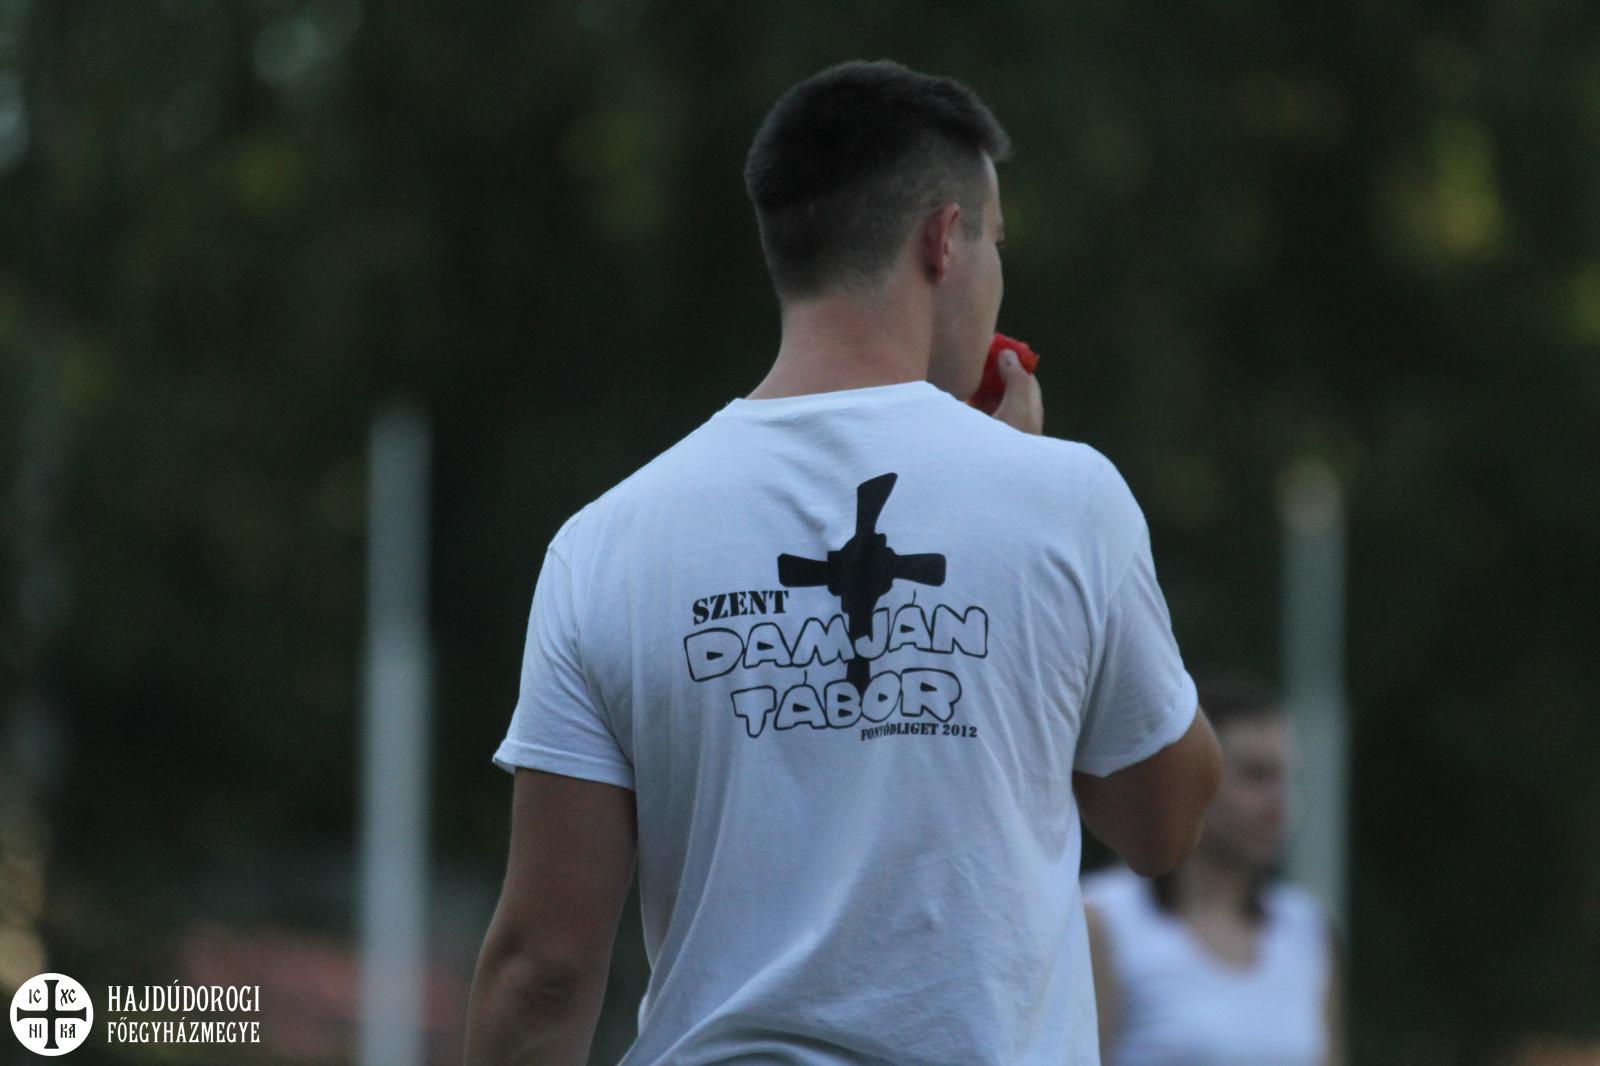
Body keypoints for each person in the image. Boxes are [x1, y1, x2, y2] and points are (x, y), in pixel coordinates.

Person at [465, 59, 1222, 1066]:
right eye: (996, 242)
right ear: (943, 240)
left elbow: (543, 970)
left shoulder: (606, 541)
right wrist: (1021, 498)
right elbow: (1166, 822)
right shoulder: (1065, 498)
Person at [1083, 674, 1346, 1066]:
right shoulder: (1106, 921)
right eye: (1255, 775)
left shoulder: (1305, 929)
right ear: (1190, 778)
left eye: (1286, 777)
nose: (1279, 802)